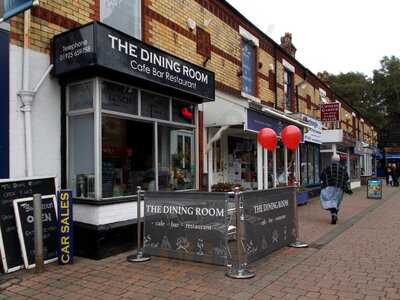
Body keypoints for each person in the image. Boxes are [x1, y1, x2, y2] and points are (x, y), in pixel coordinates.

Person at [320, 154, 351, 224]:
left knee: (330, 201)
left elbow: (321, 176)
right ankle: (334, 214)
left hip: (328, 187)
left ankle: (334, 214)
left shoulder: (327, 168)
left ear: (332, 160)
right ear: (339, 160)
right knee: (336, 201)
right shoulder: (343, 168)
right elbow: (347, 178)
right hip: (339, 187)